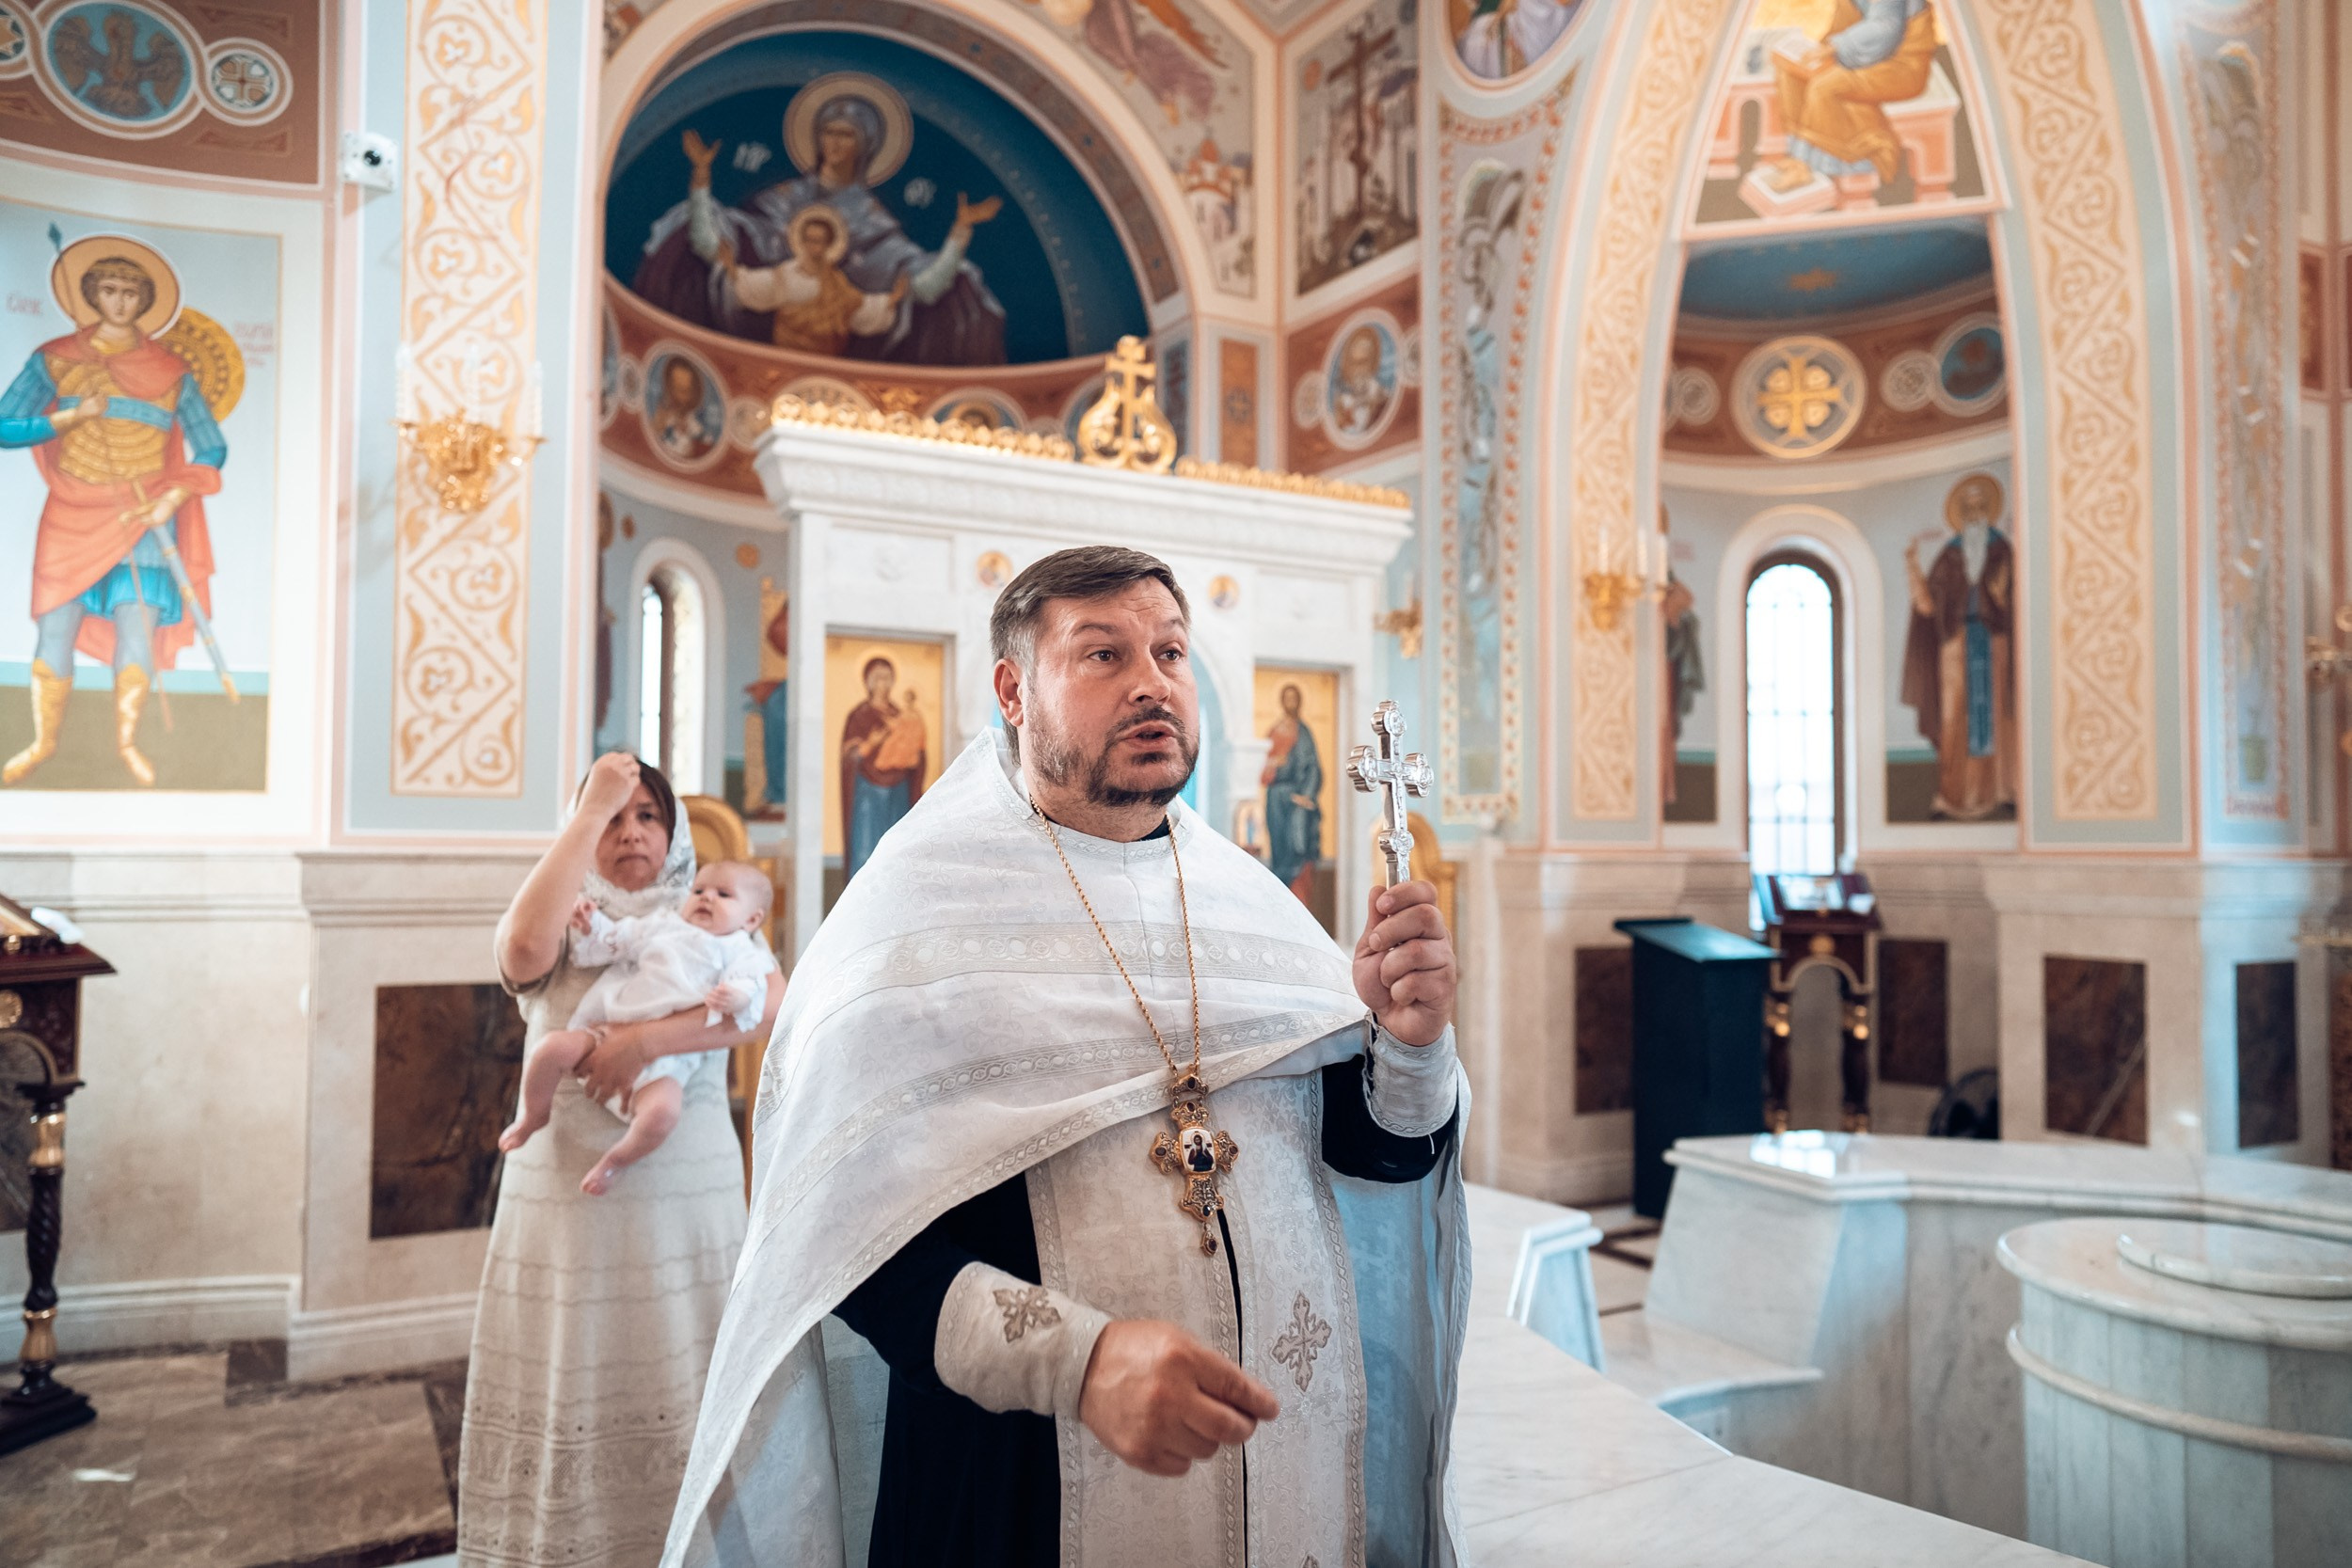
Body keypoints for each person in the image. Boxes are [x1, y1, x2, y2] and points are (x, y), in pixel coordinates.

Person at [661, 546, 1467, 1567]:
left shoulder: (1253, 910)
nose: (1151, 681)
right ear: (1012, 689)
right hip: (1009, 1490)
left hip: (1276, 1484)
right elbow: (840, 1243)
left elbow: (1373, 1161)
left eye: (1170, 651)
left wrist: (1410, 1043)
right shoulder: (910, 918)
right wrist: (1076, 1360)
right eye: (1102, 654)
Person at [458, 753, 784, 1568]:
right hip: (569, 1192)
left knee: (687, 1365)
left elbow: (774, 1004)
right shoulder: (570, 914)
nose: (630, 829)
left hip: (687, 1183)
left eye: (647, 815)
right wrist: (588, 805)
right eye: (612, 816)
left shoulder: (710, 911)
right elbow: (520, 949)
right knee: (576, 1365)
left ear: (671, 834)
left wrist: (642, 1041)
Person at [0, 245, 225, 787]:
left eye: (131, 293)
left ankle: (127, 744)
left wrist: (173, 498)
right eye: (109, 290)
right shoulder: (54, 358)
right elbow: (6, 426)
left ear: (146, 301)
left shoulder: (172, 371)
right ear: (92, 294)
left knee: (136, 632)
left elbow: (211, 448)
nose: (119, 302)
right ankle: (43, 742)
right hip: (72, 511)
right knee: (55, 628)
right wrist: (73, 415)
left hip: (143, 515)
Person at [631, 80, 1006, 366]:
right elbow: (715, 247)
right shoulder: (783, 200)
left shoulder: (872, 220)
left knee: (966, 282)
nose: (835, 142)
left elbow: (919, 287)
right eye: (829, 131)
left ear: (865, 146)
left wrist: (959, 235)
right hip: (760, 353)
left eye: (846, 134)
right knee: (691, 216)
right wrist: (700, 181)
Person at [499, 860, 778, 1196]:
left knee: (662, 1113)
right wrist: (592, 923)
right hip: (610, 1028)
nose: (706, 898)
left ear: (751, 919)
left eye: (723, 894)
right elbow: (621, 939)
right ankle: (533, 1115)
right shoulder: (665, 925)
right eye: (699, 890)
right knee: (549, 1049)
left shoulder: (743, 952)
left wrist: (737, 998)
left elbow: (753, 989)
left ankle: (616, 1161)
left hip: (671, 1061)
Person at [1901, 471, 2016, 820]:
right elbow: (1927, 607)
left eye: (1981, 505)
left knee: (1998, 715)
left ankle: (2002, 790)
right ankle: (1951, 797)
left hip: (1993, 639)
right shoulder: (1949, 556)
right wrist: (1911, 563)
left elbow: (2012, 598)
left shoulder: (2001, 550)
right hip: (1955, 643)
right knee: (1953, 717)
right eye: (1968, 506)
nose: (1974, 512)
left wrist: (1999, 594)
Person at [1759, 0, 1936, 194]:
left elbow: (1886, 28)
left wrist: (1836, 46)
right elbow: (1844, 21)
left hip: (1901, 65)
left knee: (1825, 86)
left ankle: (1812, 165)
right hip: (1860, 55)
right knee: (1791, 71)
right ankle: (1797, 156)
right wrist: (1821, 50)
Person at [715, 204, 909, 356]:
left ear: (828, 244)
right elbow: (760, 287)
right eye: (809, 239)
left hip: (825, 359)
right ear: (802, 240)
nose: (813, 246)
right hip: (785, 354)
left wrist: (891, 300)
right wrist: (733, 270)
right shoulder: (787, 274)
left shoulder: (836, 281)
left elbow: (856, 307)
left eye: (819, 241)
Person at [839, 656, 926, 883]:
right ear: (867, 682)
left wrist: (915, 753)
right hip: (867, 794)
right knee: (866, 849)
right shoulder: (859, 716)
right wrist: (872, 743)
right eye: (877, 678)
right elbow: (851, 756)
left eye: (887, 678)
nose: (882, 684)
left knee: (895, 852)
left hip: (899, 793)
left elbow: (916, 752)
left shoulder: (901, 715)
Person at [1261, 680, 1324, 906]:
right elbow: (1263, 768)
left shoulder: (1303, 732)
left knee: (1298, 849)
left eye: (1294, 699)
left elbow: (1313, 766)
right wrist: (1275, 766)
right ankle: (1280, 906)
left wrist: (1306, 795)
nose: (1290, 703)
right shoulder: (1275, 731)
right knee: (1279, 849)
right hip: (1276, 801)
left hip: (1297, 803)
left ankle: (1299, 907)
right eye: (1286, 699)